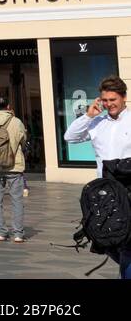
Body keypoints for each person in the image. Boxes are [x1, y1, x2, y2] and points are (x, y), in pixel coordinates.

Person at [64, 76, 131, 277]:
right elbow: (70, 137)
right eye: (105, 100)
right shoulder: (96, 122)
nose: (109, 104)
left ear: (124, 97)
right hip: (104, 194)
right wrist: (88, 116)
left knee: (127, 244)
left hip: (128, 191)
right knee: (105, 241)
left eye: (113, 99)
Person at [0, 96, 27, 243]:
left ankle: (1, 232)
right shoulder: (16, 122)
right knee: (16, 200)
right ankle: (18, 234)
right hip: (14, 165)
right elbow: (23, 139)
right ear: (8, 106)